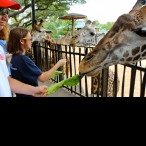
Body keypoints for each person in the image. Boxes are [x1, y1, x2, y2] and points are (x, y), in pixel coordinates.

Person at [0, 0, 48, 97]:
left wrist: (34, 91)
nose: (6, 17)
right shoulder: (22, 58)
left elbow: (7, 80)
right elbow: (42, 77)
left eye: (7, 12)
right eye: (1, 11)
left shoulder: (0, 48)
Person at [7, 27, 67, 97]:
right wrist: (59, 64)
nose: (31, 41)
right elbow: (43, 78)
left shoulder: (15, 57)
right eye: (30, 39)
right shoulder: (24, 59)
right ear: (22, 41)